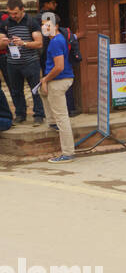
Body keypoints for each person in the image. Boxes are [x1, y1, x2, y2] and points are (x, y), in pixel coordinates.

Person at [38, 13, 76, 163]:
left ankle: (68, 153)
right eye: (43, 24)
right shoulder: (57, 39)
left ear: (55, 26)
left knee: (62, 118)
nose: (44, 27)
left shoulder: (55, 42)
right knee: (43, 93)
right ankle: (52, 122)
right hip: (61, 78)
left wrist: (46, 79)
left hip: (58, 80)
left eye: (47, 24)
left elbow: (58, 67)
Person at [4, 0, 45, 124]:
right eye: (10, 13)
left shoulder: (32, 22)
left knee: (35, 90)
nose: (13, 16)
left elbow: (39, 43)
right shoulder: (5, 23)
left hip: (30, 62)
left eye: (15, 13)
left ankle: (39, 115)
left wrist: (24, 43)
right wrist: (5, 41)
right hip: (12, 63)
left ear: (22, 10)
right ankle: (20, 114)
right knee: (16, 91)